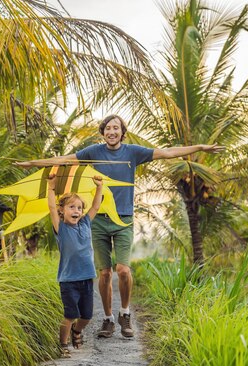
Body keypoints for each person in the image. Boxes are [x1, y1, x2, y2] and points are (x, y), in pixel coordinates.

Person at [20, 114, 224, 338]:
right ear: (103, 132)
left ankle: (124, 313)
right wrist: (32, 164)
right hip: (98, 222)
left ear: (122, 132)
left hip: (124, 218)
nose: (112, 132)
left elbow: (167, 153)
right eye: (108, 128)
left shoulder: (133, 152)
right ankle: (108, 319)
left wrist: (201, 147)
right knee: (105, 273)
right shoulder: (93, 152)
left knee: (123, 270)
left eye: (116, 128)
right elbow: (64, 160)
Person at [47, 172, 103, 357]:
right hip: (69, 280)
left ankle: (77, 332)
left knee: (86, 316)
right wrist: (51, 187)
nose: (76, 211)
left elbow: (95, 206)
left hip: (87, 278)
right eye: (72, 207)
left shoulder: (86, 223)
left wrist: (99, 187)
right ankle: (63, 345)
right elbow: (51, 208)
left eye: (79, 208)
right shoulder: (61, 228)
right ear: (62, 210)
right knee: (70, 315)